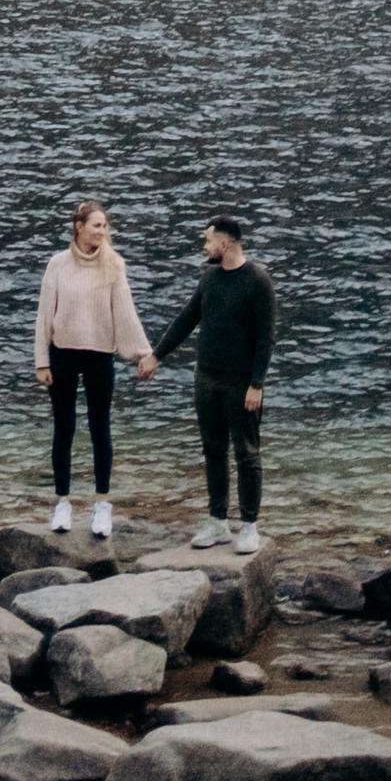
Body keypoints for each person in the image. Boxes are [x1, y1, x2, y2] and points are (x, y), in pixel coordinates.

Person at [142, 213, 275, 551]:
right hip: (207, 380)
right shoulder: (210, 280)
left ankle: (249, 526)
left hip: (241, 384)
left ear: (224, 243)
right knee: (213, 451)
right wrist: (156, 355)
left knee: (246, 454)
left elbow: (265, 339)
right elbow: (186, 319)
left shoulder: (258, 281)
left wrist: (256, 384)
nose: (204, 245)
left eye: (208, 240)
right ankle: (218, 521)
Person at [33, 197, 152, 538]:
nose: (103, 231)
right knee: (64, 428)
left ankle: (102, 503)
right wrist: (42, 360)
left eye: (105, 226)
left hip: (100, 354)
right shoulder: (57, 264)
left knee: (100, 427)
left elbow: (125, 312)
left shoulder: (113, 264)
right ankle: (62, 503)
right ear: (79, 227)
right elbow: (44, 314)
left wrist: (144, 353)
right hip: (62, 354)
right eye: (97, 225)